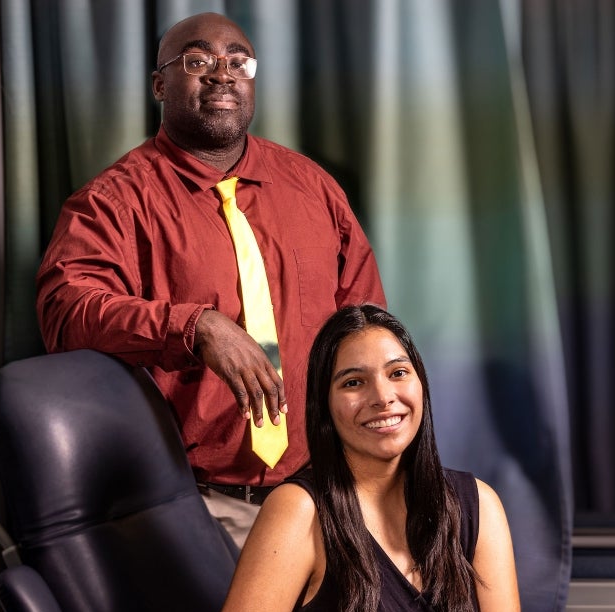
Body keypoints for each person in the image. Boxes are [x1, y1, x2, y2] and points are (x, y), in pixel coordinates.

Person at [35, 13, 385, 546]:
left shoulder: (312, 187)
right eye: (198, 62)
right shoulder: (113, 202)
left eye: (238, 62)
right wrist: (196, 327)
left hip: (330, 491)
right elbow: (66, 312)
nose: (222, 75)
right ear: (159, 84)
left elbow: (367, 328)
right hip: (201, 505)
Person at [201, 305, 524, 612]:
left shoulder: (478, 505)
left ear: (421, 385)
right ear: (324, 405)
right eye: (354, 382)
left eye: (398, 373)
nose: (383, 396)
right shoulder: (299, 511)